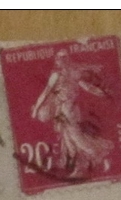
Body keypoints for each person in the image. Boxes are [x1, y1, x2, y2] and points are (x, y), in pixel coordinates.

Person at [30, 49, 114, 177]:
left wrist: (36, 109)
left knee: (76, 138)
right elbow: (87, 87)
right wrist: (101, 93)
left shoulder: (65, 74)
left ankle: (101, 157)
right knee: (68, 140)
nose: (61, 61)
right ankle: (78, 167)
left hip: (67, 110)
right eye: (60, 58)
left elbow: (47, 92)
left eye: (63, 58)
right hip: (64, 110)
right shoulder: (66, 73)